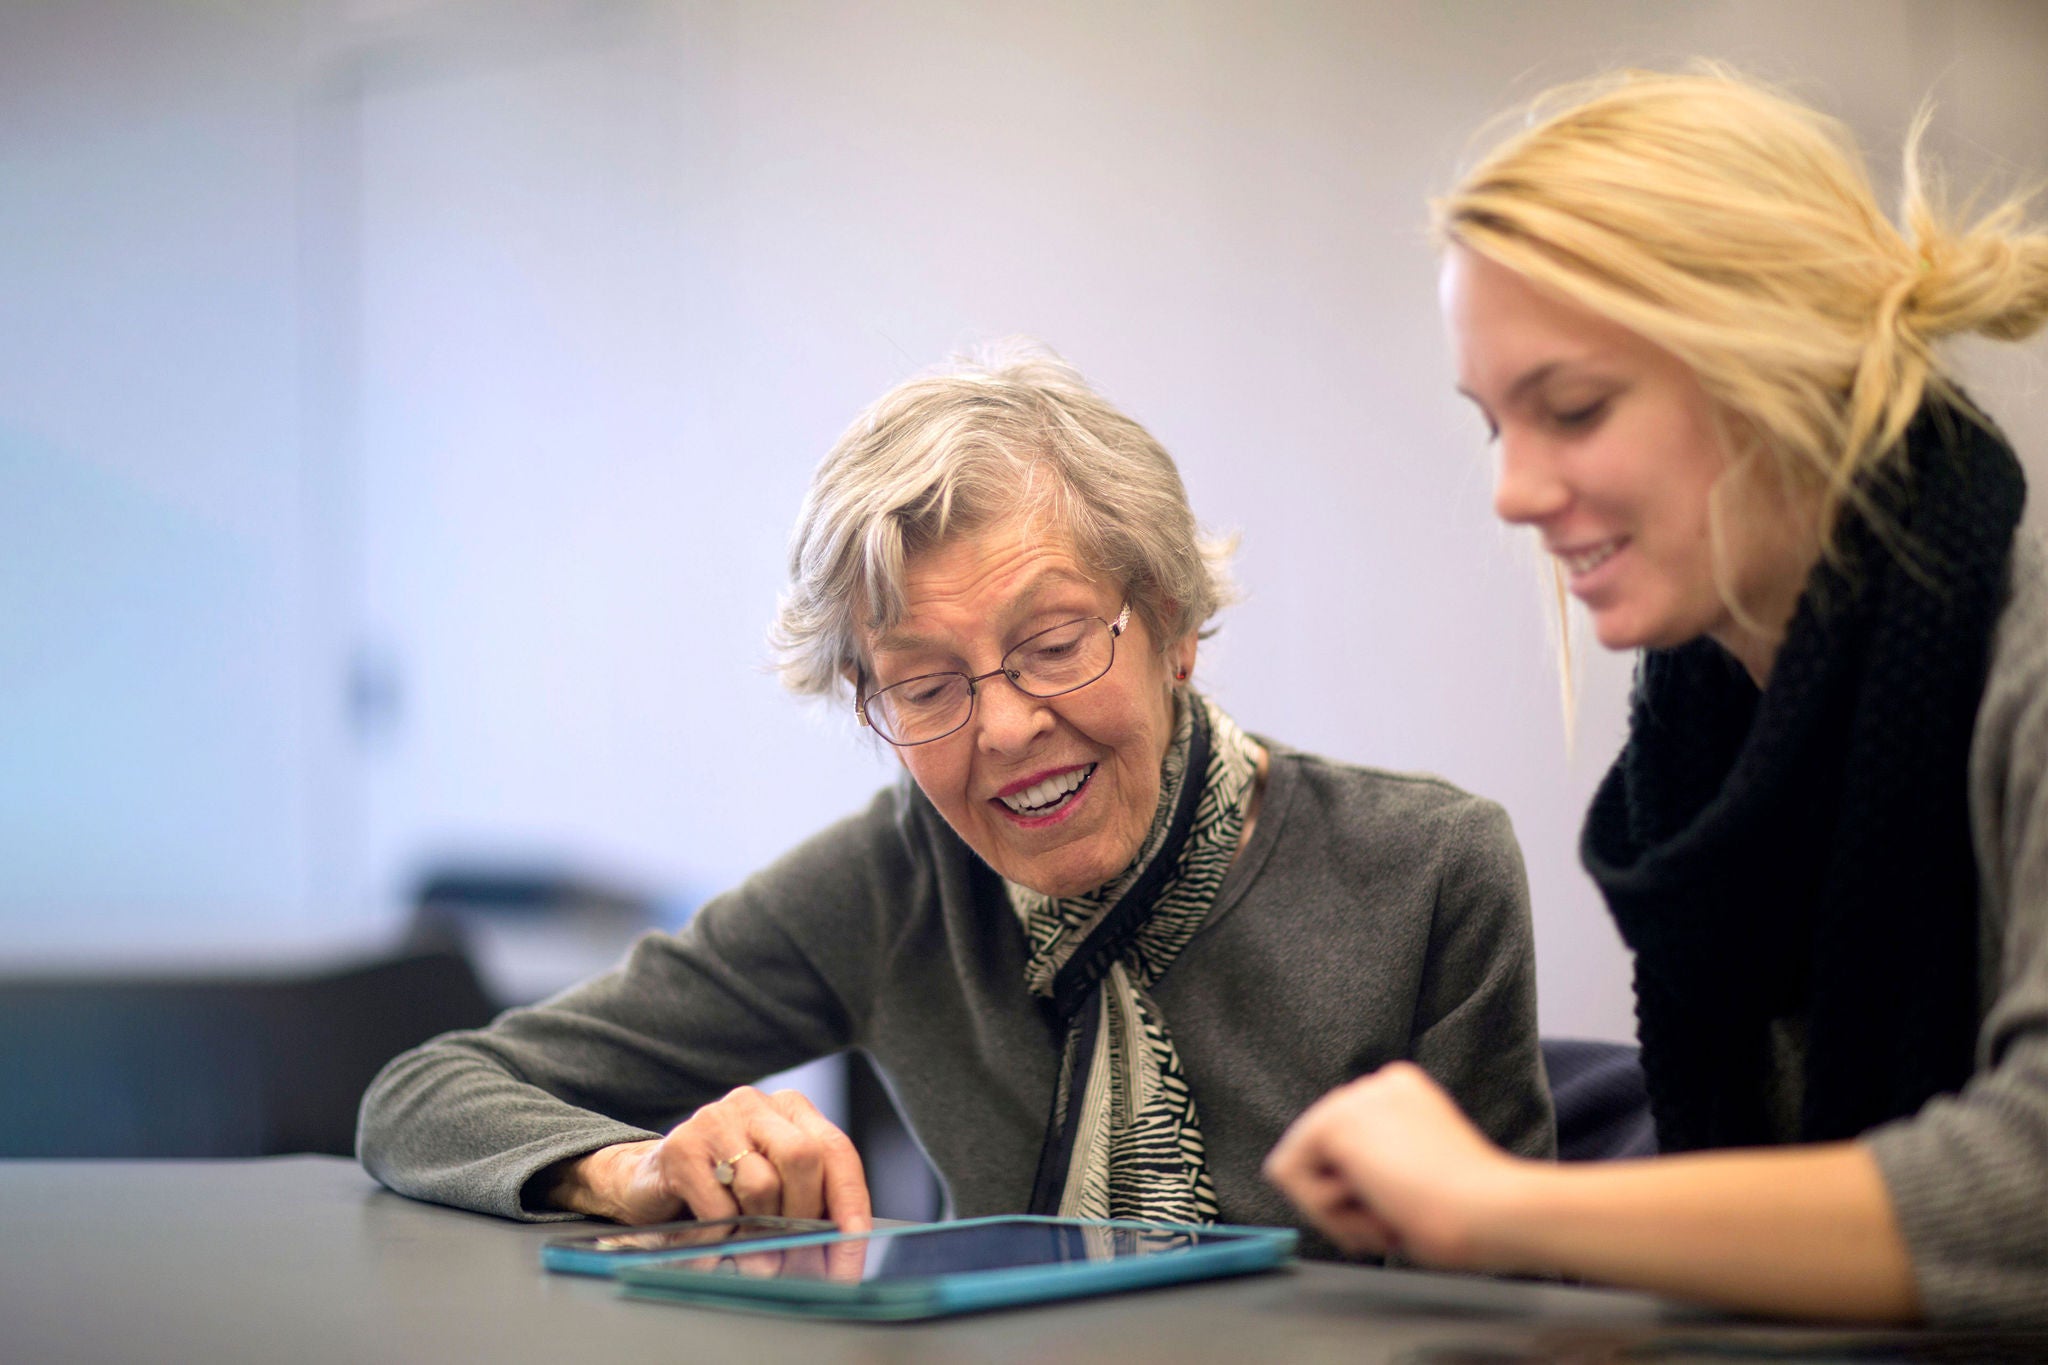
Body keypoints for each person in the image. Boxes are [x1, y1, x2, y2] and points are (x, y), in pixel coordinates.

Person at [358, 344, 1554, 1248]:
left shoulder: (1422, 871)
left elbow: (1515, 1307)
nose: (1004, 727)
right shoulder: (893, 882)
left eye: (1052, 643)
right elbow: (420, 1095)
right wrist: (629, 1169)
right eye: (922, 686)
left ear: (1174, 625)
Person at [1265, 68, 2048, 1325]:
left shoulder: (2025, 670)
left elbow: (2027, 1189)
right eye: (1492, 426)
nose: (1511, 493)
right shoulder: (1710, 733)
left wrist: (1496, 1204)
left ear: (1773, 365)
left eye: (1570, 409)